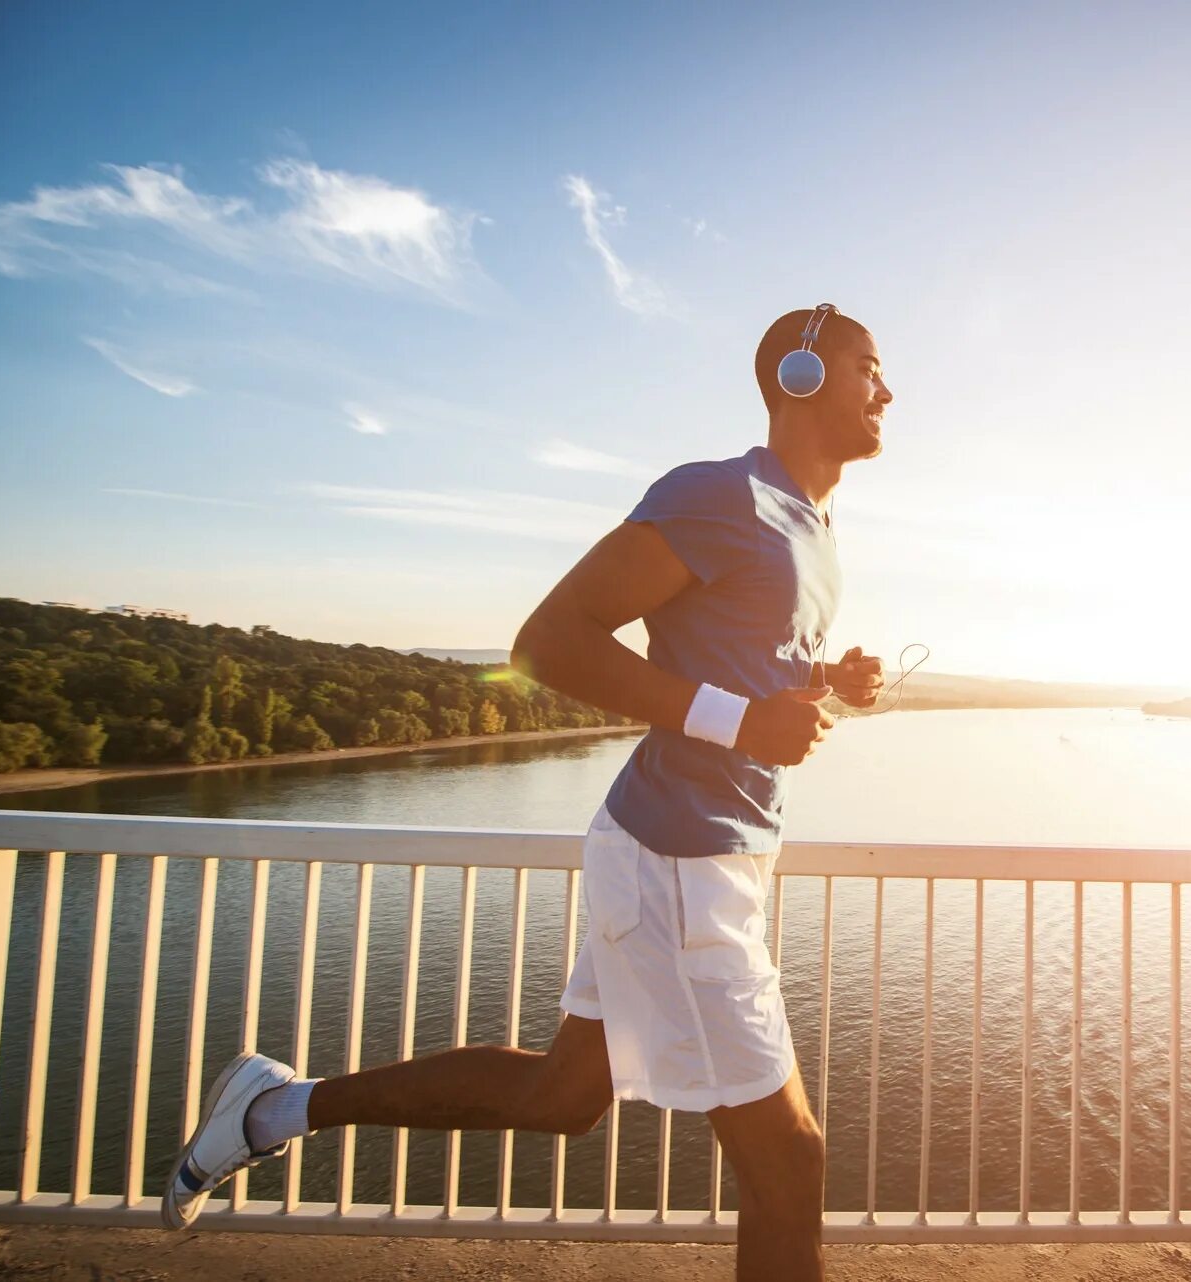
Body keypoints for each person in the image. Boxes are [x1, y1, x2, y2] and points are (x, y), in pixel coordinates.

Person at [162, 304, 894, 1282]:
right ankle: (272, 1107)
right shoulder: (722, 497)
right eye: (868, 367)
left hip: (705, 855)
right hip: (680, 862)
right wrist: (737, 721)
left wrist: (823, 682)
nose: (887, 390)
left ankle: (274, 1106)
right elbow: (548, 641)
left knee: (562, 1098)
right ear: (799, 377)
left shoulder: (817, 533)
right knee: (788, 1161)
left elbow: (742, 678)